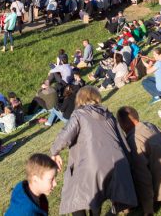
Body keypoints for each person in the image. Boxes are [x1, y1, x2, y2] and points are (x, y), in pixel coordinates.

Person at [49, 86, 138, 215]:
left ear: (79, 99)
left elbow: (65, 135)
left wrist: (54, 152)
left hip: (92, 164)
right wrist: (129, 164)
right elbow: (122, 141)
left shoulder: (79, 114)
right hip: (116, 161)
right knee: (95, 194)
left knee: (77, 193)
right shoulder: (108, 114)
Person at [117, 106, 161, 216]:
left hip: (156, 193)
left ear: (124, 124)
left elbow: (142, 176)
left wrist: (148, 208)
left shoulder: (134, 140)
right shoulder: (151, 126)